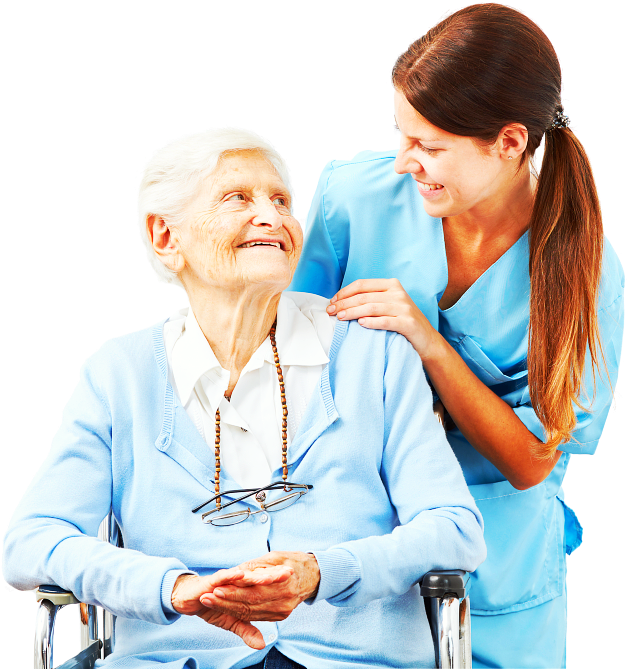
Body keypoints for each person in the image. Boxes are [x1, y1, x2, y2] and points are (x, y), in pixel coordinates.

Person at [2, 126, 485, 669]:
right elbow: (31, 541)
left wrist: (324, 571)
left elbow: (454, 527)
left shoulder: (375, 356)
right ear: (165, 236)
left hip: (350, 660)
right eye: (238, 198)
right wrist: (170, 587)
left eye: (282, 201)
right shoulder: (119, 374)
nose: (273, 217)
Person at [288, 4, 624, 669]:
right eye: (401, 136)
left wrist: (426, 341)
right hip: (354, 555)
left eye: (431, 146)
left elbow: (532, 461)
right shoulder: (353, 196)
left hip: (497, 580)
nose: (406, 163)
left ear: (509, 142)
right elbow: (287, 364)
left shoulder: (585, 269)